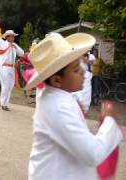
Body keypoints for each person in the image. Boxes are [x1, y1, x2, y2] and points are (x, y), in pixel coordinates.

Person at [25, 32, 125, 180]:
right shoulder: (58, 106)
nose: (84, 72)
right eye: (76, 70)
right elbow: (92, 153)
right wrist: (109, 120)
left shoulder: (56, 95)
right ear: (57, 80)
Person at [0, 17, 24, 111]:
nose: (13, 37)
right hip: (4, 67)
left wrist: (15, 46)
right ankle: (3, 104)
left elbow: (22, 53)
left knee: (10, 86)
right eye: (12, 36)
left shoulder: (14, 46)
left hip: (12, 68)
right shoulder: (2, 43)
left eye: (14, 36)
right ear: (8, 37)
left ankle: (6, 103)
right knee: (5, 86)